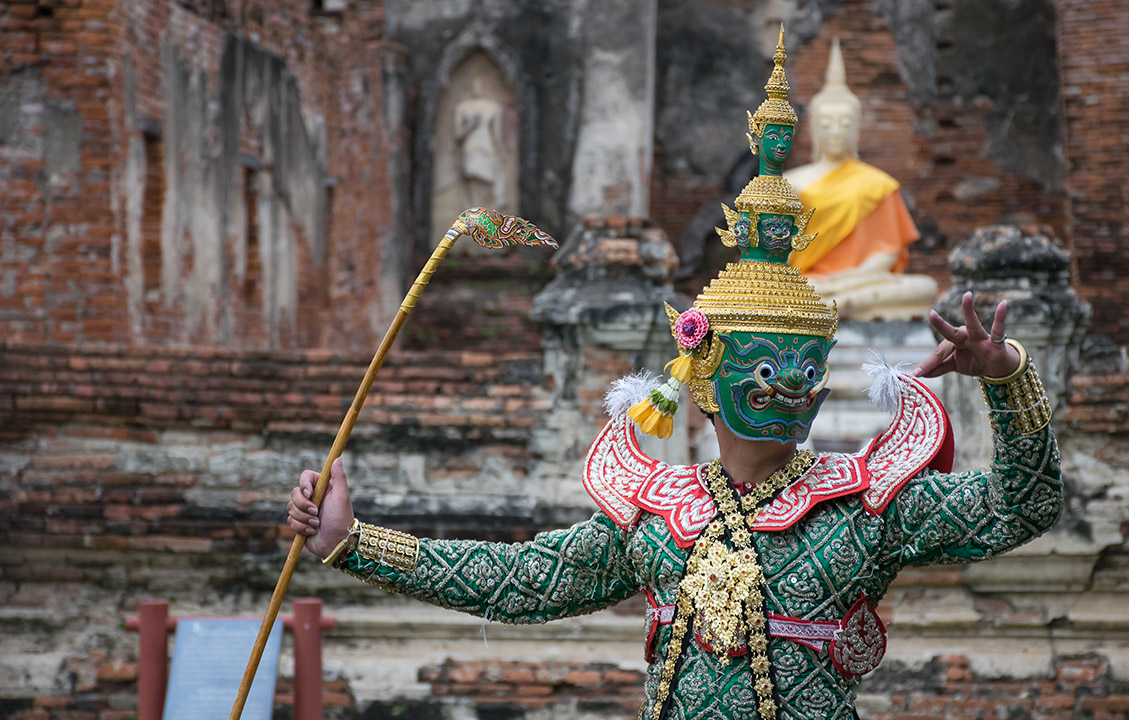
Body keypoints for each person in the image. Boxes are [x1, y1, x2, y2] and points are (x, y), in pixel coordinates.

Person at [286, 29, 1061, 720]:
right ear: (703, 375)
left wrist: (1008, 380)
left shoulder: (865, 507)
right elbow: (520, 580)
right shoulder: (659, 515)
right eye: (767, 364)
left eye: (806, 367)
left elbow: (1020, 507)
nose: (792, 385)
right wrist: (351, 542)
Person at [783, 39, 938, 321]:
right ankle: (830, 303)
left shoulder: (878, 185)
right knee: (784, 291)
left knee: (924, 287)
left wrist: (848, 279)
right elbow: (778, 251)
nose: (836, 132)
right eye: (826, 124)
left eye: (845, 124)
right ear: (814, 130)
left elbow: (887, 252)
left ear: (857, 130)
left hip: (862, 282)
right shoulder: (790, 182)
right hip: (806, 283)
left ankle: (833, 303)